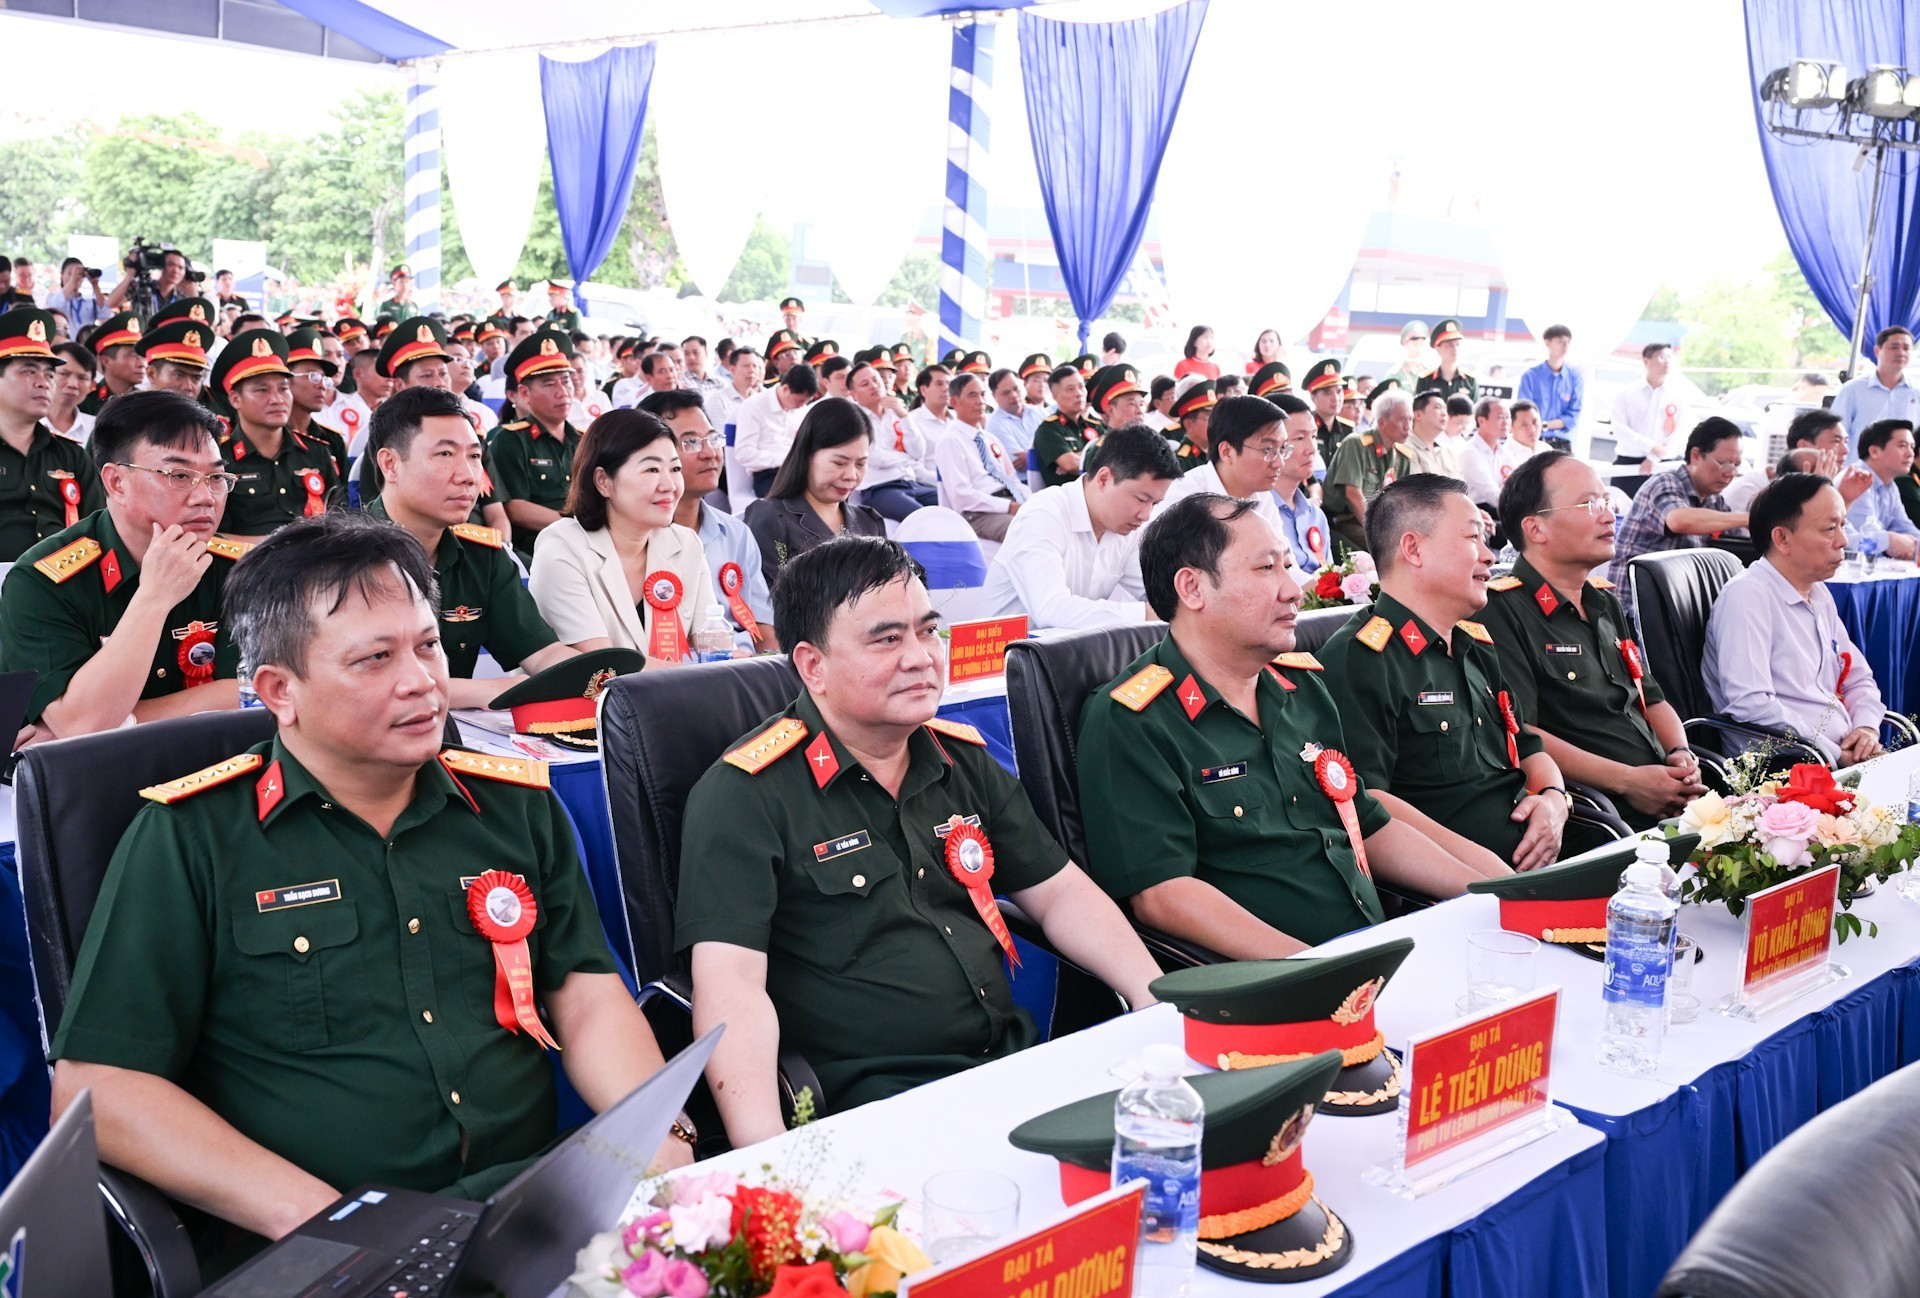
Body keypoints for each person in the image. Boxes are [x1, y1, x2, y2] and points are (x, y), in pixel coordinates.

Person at [48, 512, 689, 1270]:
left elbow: (585, 995)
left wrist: (660, 1149)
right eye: (375, 659)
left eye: (426, 645)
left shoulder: (515, 805)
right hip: (320, 1245)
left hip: (531, 1214)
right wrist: (333, 1225)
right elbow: (103, 1089)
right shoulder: (191, 837)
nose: (422, 681)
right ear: (279, 690)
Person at [676, 535, 1161, 1143]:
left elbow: (1061, 895)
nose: (922, 657)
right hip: (877, 1113)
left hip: (1014, 1071)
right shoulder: (746, 794)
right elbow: (731, 988)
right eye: (886, 639)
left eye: (927, 631)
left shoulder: (957, 760)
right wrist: (773, 1161)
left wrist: (1158, 1010)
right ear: (811, 665)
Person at [1076, 494, 1487, 956]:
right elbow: (1162, 895)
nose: (1293, 589)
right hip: (1272, 986)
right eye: (1266, 569)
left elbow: (1367, 825)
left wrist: (1497, 890)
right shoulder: (1134, 717)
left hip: (1374, 949)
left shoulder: (1302, 688)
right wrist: (1317, 969)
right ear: (1192, 589)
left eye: (1287, 567)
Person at [1318, 475, 1566, 873]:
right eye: (1473, 538)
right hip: (1459, 887)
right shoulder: (1362, 657)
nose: (1489, 556)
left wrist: (1554, 801)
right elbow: (1367, 800)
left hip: (1535, 862)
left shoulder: (1475, 646)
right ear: (1413, 549)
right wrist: (1490, 872)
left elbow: (1529, 746)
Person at [0, 391, 248, 740]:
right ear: (116, 482)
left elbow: (248, 694)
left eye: (216, 478)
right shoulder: (41, 580)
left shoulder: (239, 570)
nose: (205, 497)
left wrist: (120, 721)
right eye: (179, 475)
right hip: (98, 783)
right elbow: (83, 725)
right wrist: (155, 596)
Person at [1484, 453, 1706, 829]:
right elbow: (1520, 732)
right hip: (1599, 812)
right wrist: (1630, 782)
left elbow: (1650, 699)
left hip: (1666, 793)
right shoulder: (1500, 610)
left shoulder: (1602, 601)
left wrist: (1681, 754)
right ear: (1536, 529)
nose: (1608, 515)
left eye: (1607, 502)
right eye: (1590, 504)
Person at [364, 386, 574, 705]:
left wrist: (595, 680)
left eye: (475, 456)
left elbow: (542, 653)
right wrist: (497, 690)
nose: (468, 476)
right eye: (445, 454)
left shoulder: (481, 555)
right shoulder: (341, 559)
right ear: (390, 464)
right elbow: (376, 685)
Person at [1705, 473, 1886, 767]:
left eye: (1842, 525)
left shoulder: (1818, 593)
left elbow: (1859, 679)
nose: (1843, 540)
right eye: (1830, 528)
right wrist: (1835, 753)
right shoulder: (1748, 596)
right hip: (1783, 765)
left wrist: (1865, 727)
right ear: (1782, 538)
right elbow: (1751, 705)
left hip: (1832, 757)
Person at [527, 408, 714, 664]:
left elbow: (713, 645)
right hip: (586, 702)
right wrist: (697, 678)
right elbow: (604, 665)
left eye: (675, 468)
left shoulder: (686, 544)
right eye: (651, 470)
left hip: (669, 698)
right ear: (603, 481)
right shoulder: (562, 546)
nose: (669, 485)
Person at [982, 426, 1178, 628]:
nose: (1145, 515)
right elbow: (1051, 610)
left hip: (1064, 653)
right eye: (1141, 499)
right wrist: (1145, 613)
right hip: (999, 653)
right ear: (1104, 479)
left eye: (1154, 504)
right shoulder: (1044, 514)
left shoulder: (1127, 528)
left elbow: (1153, 592)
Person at [642, 389, 776, 652]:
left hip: (746, 671)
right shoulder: (637, 538)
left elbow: (763, 629)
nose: (709, 453)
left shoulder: (736, 533)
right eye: (690, 443)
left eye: (713, 439)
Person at [210, 329, 344, 541]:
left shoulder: (317, 452)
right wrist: (281, 547)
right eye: (262, 390)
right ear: (235, 399)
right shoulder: (219, 460)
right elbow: (213, 537)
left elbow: (340, 522)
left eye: (283, 389)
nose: (277, 399)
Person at [744, 397, 886, 590]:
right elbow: (769, 600)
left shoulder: (869, 522)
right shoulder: (772, 517)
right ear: (807, 455)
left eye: (861, 464)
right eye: (839, 463)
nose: (851, 475)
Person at [0, 309, 105, 562]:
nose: (43, 382)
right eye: (29, 371)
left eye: (49, 374)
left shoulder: (71, 455)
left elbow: (100, 529)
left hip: (62, 585)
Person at [1603, 417, 1747, 590]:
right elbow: (1679, 520)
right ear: (1696, 456)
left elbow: (1742, 541)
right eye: (1724, 464)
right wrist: (1747, 518)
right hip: (1634, 609)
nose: (1730, 474)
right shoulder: (1664, 483)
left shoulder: (1714, 501)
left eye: (1736, 466)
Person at [489, 328, 586, 558]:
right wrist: (578, 527)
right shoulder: (510, 439)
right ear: (524, 392)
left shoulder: (584, 439)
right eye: (549, 384)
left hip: (587, 545)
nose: (563, 392)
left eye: (566, 381)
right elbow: (516, 509)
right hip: (539, 551)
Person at [1157, 395, 1289, 534]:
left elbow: (1280, 553)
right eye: (1268, 450)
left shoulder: (1263, 499)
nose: (1280, 463)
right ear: (1227, 452)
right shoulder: (1181, 502)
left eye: (1283, 449)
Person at [934, 371, 1026, 541]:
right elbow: (962, 496)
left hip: (1009, 501)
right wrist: (1009, 506)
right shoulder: (950, 442)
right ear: (954, 402)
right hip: (978, 514)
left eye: (983, 394)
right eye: (972, 395)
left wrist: (1031, 500)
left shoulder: (989, 438)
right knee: (1024, 531)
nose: (981, 401)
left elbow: (1012, 479)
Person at [1324, 388, 1413, 553]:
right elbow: (1352, 494)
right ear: (1381, 422)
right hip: (1346, 521)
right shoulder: (1356, 444)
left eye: (1410, 419)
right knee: (1390, 552)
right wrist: (1379, 532)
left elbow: (1402, 500)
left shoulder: (1402, 457)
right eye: (1402, 420)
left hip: (1382, 524)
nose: (1408, 426)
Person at [1265, 392, 1334, 572]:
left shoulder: (1315, 515)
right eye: (1300, 438)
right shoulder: (1258, 513)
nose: (1312, 449)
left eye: (1313, 436)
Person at [734, 361, 820, 499]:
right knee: (796, 502)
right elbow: (743, 453)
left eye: (805, 402)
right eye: (799, 401)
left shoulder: (801, 410)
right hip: (769, 475)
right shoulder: (754, 407)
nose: (801, 406)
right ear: (785, 389)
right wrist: (782, 460)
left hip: (799, 471)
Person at [1843, 418, 1920, 560]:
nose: (1910, 454)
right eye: (1902, 446)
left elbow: (1904, 526)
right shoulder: (1856, 480)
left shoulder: (1890, 486)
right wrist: (1890, 540)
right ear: (1874, 451)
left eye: (1912, 447)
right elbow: (1862, 544)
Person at [1831, 326, 1920, 438]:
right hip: (1861, 455)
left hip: (1907, 455)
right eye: (1894, 347)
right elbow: (1835, 432)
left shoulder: (1917, 389)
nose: (1901, 353)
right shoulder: (1853, 389)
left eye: (1906, 348)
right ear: (1877, 351)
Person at [1609, 342, 1682, 477]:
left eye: (1669, 357)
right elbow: (1620, 429)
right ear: (1646, 361)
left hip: (1664, 464)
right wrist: (1652, 447)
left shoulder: (1678, 395)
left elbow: (1681, 430)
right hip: (1629, 461)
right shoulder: (1626, 393)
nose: (1667, 362)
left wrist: (1653, 457)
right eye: (1661, 357)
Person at [1460, 396, 1535, 511]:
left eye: (1508, 417)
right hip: (1478, 511)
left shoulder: (1505, 453)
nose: (1506, 422)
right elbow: (1491, 494)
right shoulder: (1469, 452)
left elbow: (1518, 486)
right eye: (1500, 417)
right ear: (1481, 421)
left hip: (1503, 507)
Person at [1031, 363, 1098, 488]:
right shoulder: (1048, 430)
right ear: (1055, 396)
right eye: (1071, 389)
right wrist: (1101, 455)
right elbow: (1071, 465)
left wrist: (1080, 455)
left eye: (1081, 387)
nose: (1079, 393)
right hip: (1069, 500)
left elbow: (1119, 455)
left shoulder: (1096, 425)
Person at [1516, 324, 1583, 449]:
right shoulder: (1530, 376)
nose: (1565, 346)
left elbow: (1573, 416)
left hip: (1562, 443)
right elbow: (1523, 410)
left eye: (1568, 342)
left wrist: (1545, 425)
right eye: (1560, 342)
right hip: (1533, 440)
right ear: (1547, 343)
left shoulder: (1575, 377)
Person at [77, 311, 144, 415]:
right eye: (132, 356)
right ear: (106, 361)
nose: (141, 364)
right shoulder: (85, 402)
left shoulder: (146, 402)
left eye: (141, 356)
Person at [133, 317, 213, 399]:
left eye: (196, 378)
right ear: (152, 374)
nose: (188, 387)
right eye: (179, 375)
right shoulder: (131, 411)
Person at [987, 367, 1040, 470]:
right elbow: (1019, 464)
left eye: (1016, 389)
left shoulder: (1039, 412)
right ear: (994, 396)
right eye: (1006, 393)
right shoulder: (994, 424)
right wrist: (1055, 457)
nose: (1014, 395)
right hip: (1022, 482)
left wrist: (1029, 456)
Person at [1400, 390, 1462, 479]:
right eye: (1438, 407)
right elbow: (1416, 490)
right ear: (1418, 415)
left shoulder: (1447, 452)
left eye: (1445, 409)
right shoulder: (1406, 450)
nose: (1444, 413)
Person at [46, 341, 98, 444]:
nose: (73, 384)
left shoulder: (97, 429)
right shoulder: (25, 424)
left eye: (82, 378)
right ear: (47, 375)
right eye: (64, 374)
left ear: (92, 385)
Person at [1414, 319, 1477, 403]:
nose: (1455, 349)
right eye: (1449, 345)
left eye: (1457, 344)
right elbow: (1419, 411)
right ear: (1438, 349)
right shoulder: (1426, 380)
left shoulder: (1470, 380)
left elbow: (1475, 412)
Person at [1303, 358, 1351, 465]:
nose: (1335, 398)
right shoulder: (1304, 428)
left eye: (1339, 391)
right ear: (1313, 398)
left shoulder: (1348, 429)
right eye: (1327, 393)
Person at [42, 258, 105, 335]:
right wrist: (73, 280)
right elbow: (56, 306)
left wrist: (95, 285)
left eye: (81, 274)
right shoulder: (51, 297)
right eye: (70, 274)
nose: (77, 277)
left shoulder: (89, 301)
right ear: (62, 274)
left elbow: (105, 314)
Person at [706, 343, 761, 429]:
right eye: (746, 366)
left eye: (755, 366)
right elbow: (723, 437)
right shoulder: (718, 401)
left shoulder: (760, 399)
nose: (752, 370)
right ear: (732, 369)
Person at [1168, 377, 1215, 474]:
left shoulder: (1218, 452)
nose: (1216, 422)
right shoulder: (1182, 462)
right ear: (1189, 424)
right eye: (1209, 418)